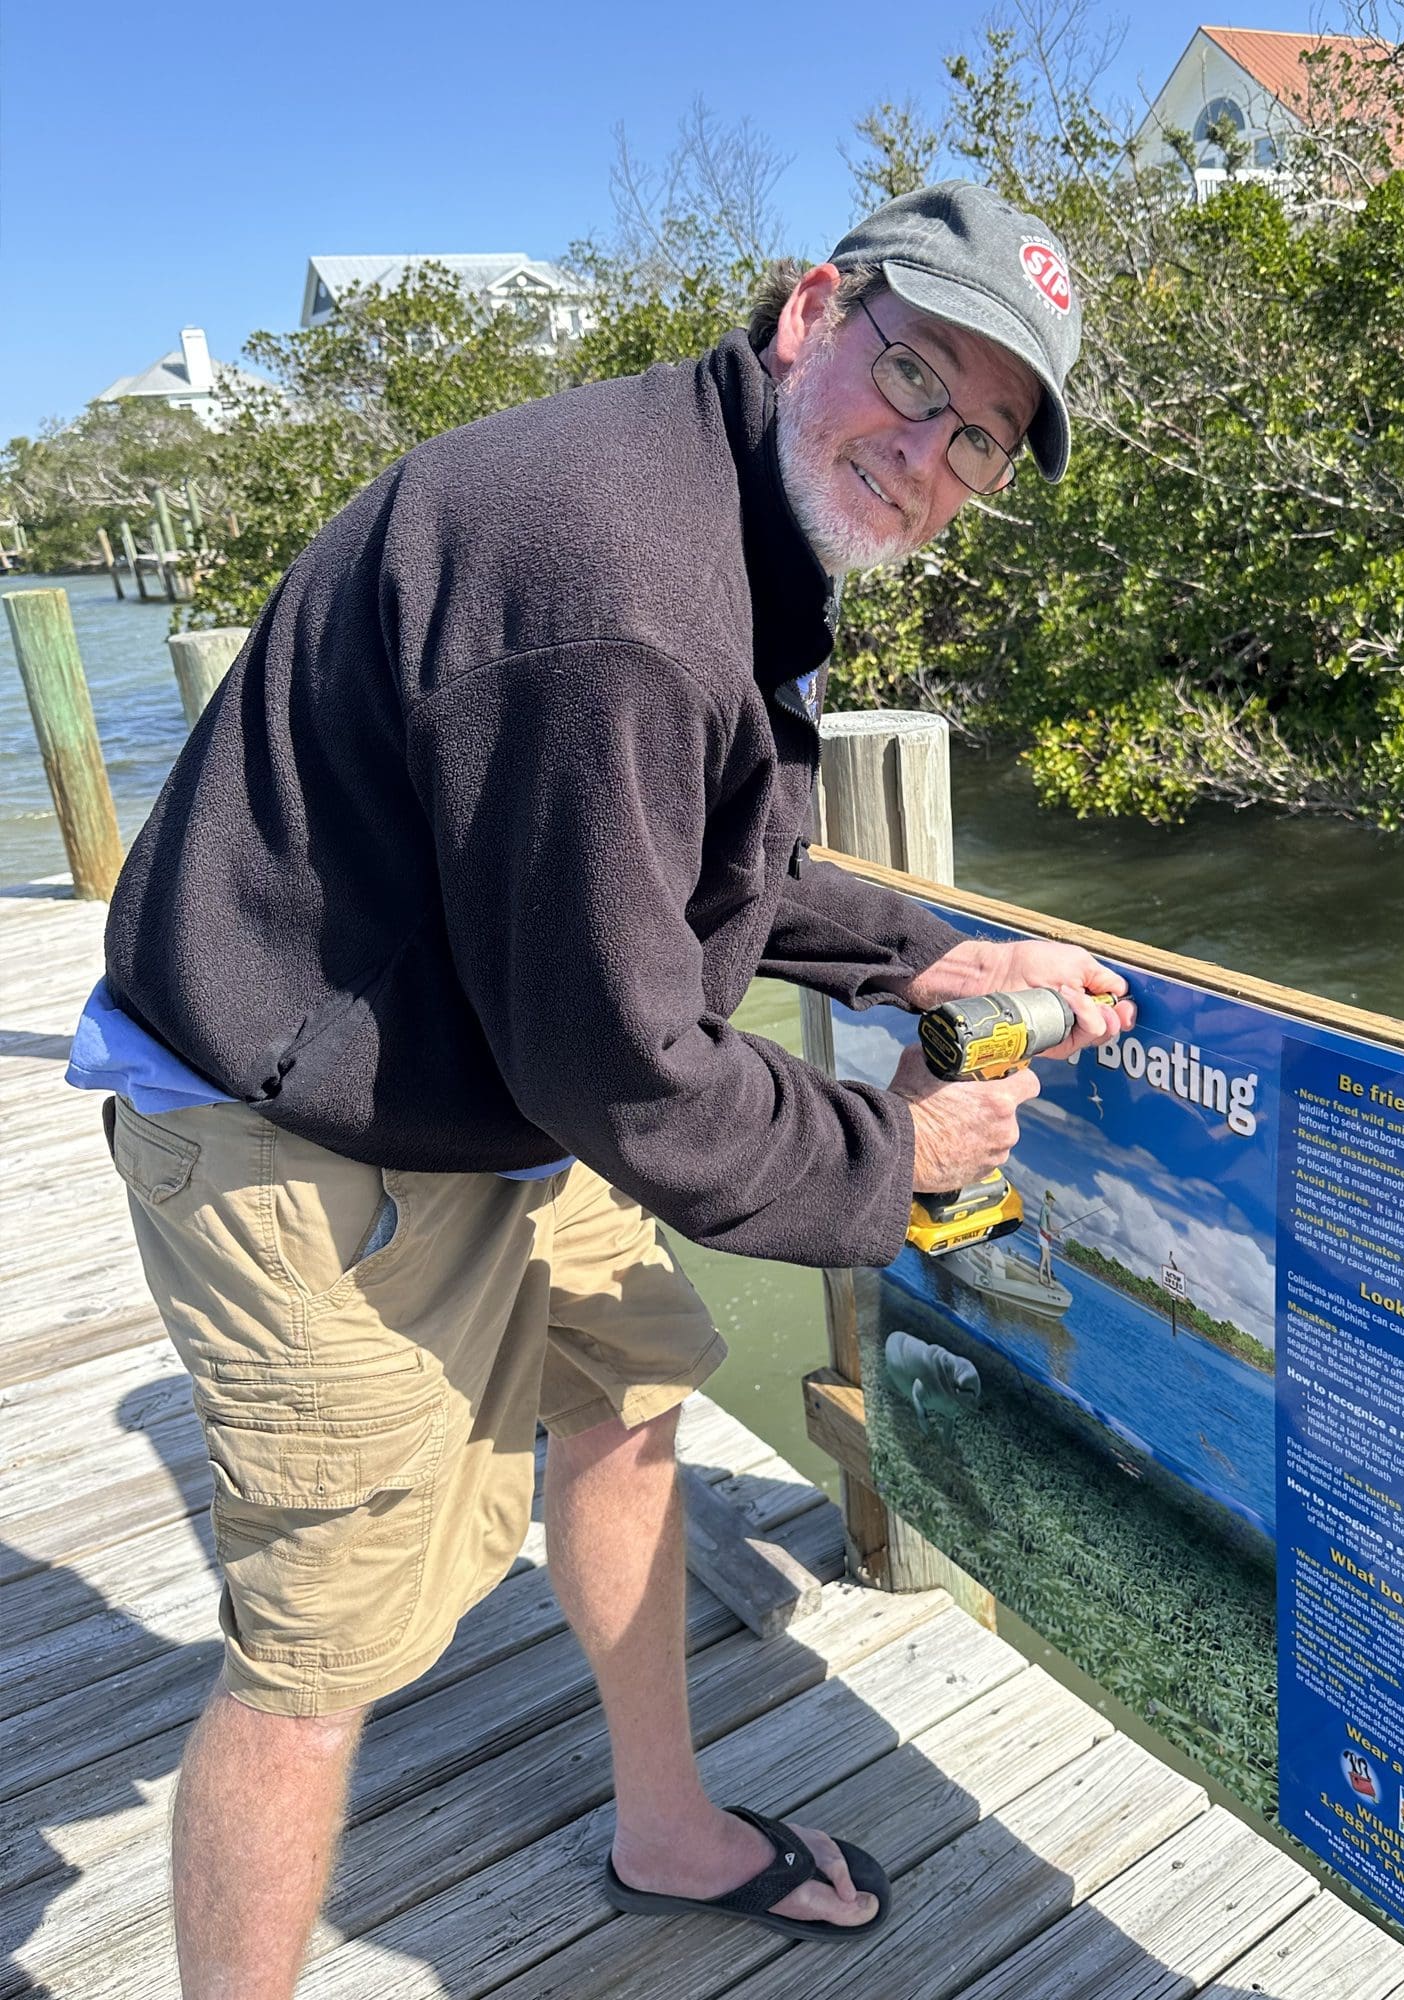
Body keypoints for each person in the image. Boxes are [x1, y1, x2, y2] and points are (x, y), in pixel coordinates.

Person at [67, 180, 1134, 1996]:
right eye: (919, 378)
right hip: (288, 1120)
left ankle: (667, 1826)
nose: (934, 456)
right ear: (814, 309)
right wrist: (903, 1154)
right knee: (320, 1649)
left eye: (982, 441)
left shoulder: (719, 499)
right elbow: (625, 1066)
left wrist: (915, 957)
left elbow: (661, 863)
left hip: (467, 1053)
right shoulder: (624, 585)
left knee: (626, 1391)